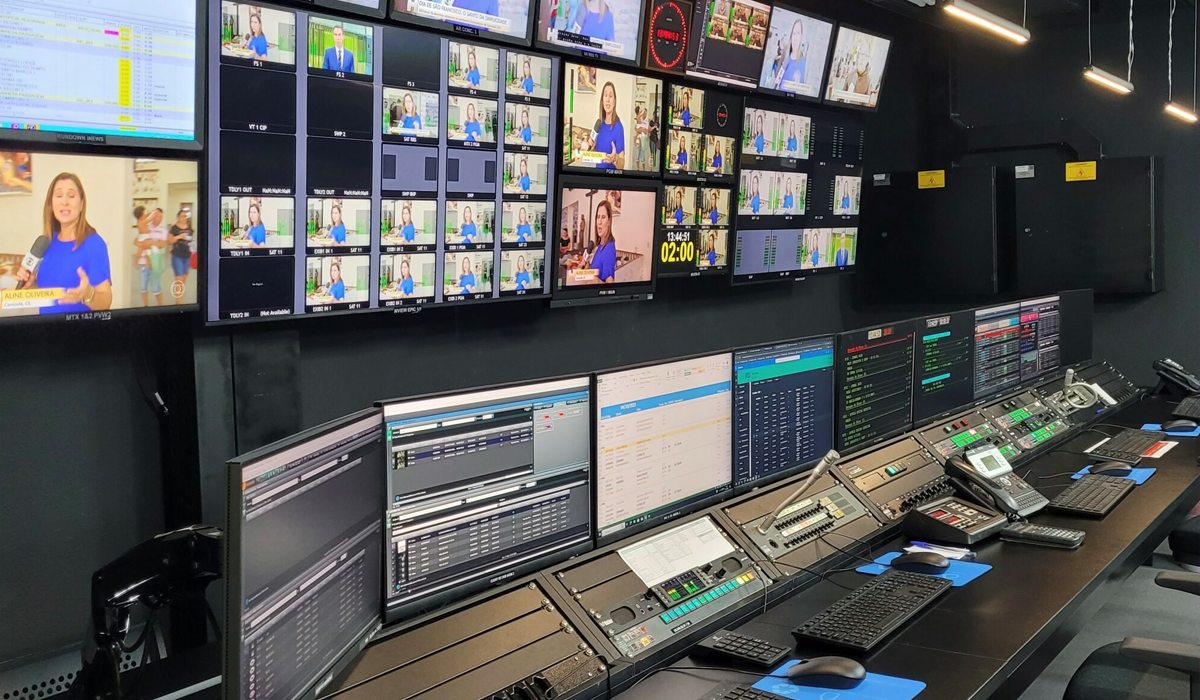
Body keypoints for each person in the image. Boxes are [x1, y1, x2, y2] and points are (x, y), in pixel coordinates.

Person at [16, 173, 113, 314]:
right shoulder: (47, 243)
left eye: (71, 196)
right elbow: (52, 294)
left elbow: (106, 302)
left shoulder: (94, 244)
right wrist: (31, 285)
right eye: (59, 195)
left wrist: (87, 294)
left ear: (81, 204)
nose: (65, 202)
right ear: (51, 204)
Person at [135, 208, 167, 307]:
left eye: (161, 216)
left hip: (155, 261)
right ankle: (146, 306)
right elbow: (136, 241)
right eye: (157, 216)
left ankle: (160, 306)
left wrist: (150, 242)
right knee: (143, 286)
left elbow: (162, 244)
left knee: (156, 286)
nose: (159, 218)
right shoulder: (145, 225)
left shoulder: (163, 230)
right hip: (143, 263)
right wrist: (142, 244)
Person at [589, 82, 624, 170]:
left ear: (614, 101)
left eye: (611, 96)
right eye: (605, 95)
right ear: (602, 101)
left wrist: (615, 159)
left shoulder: (618, 127)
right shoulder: (599, 124)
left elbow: (621, 165)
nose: (608, 99)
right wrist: (592, 148)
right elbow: (598, 155)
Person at [588, 200, 617, 283]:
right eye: (598, 217)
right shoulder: (600, 246)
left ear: (609, 221)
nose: (599, 222)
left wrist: (595, 280)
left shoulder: (609, 248)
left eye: (603, 217)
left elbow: (609, 284)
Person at [168, 209, 193, 305]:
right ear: (178, 217)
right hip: (177, 255)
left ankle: (178, 299)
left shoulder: (189, 228)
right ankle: (179, 302)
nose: (184, 218)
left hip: (187, 255)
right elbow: (169, 241)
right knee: (179, 278)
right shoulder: (174, 228)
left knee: (183, 278)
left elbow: (191, 239)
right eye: (182, 216)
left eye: (185, 216)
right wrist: (179, 236)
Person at [774, 18, 807, 90]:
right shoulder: (786, 55)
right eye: (794, 33)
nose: (795, 38)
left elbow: (801, 88)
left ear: (801, 36)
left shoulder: (802, 61)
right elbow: (776, 78)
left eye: (798, 33)